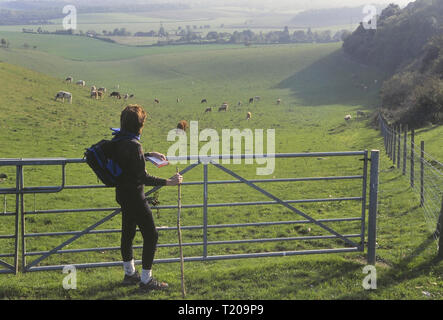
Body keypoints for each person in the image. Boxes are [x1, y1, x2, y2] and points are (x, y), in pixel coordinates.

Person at [111, 104, 183, 292]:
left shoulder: (119, 139)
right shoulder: (134, 145)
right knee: (151, 235)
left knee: (128, 233)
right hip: (136, 197)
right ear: (139, 125)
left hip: (122, 195)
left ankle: (129, 274)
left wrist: (148, 154)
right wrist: (170, 181)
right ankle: (146, 280)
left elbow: (129, 161)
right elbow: (142, 177)